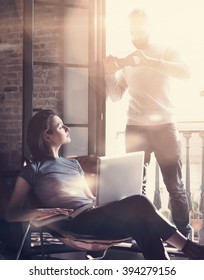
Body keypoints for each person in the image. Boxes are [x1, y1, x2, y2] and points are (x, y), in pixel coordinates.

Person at [5, 109, 204, 260]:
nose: (66, 129)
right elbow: (11, 213)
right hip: (73, 224)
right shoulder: (33, 170)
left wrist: (108, 195)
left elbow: (90, 199)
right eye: (60, 126)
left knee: (143, 225)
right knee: (139, 202)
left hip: (93, 215)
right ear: (47, 136)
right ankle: (188, 247)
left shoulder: (73, 164)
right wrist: (40, 211)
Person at [103, 8, 191, 237]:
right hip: (135, 127)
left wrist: (150, 61)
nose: (136, 31)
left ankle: (183, 234)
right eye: (132, 27)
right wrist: (109, 72)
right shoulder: (128, 59)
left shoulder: (167, 50)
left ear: (149, 26)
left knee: (175, 186)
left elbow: (186, 73)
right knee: (135, 187)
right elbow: (115, 95)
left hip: (165, 126)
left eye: (140, 26)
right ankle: (141, 234)